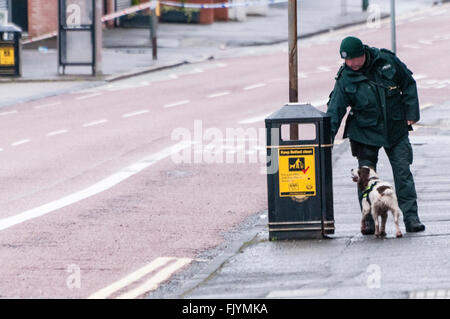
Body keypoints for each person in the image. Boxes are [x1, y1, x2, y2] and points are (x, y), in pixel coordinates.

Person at [326, 36, 425, 234]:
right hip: (364, 132)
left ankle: (412, 219)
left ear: (363, 53)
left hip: (395, 128)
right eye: (347, 61)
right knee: (365, 178)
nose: (351, 64)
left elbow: (408, 84)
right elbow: (335, 109)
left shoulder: (387, 62)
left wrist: (411, 113)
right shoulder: (345, 77)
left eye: (354, 59)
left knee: (403, 173)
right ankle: (370, 220)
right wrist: (326, 140)